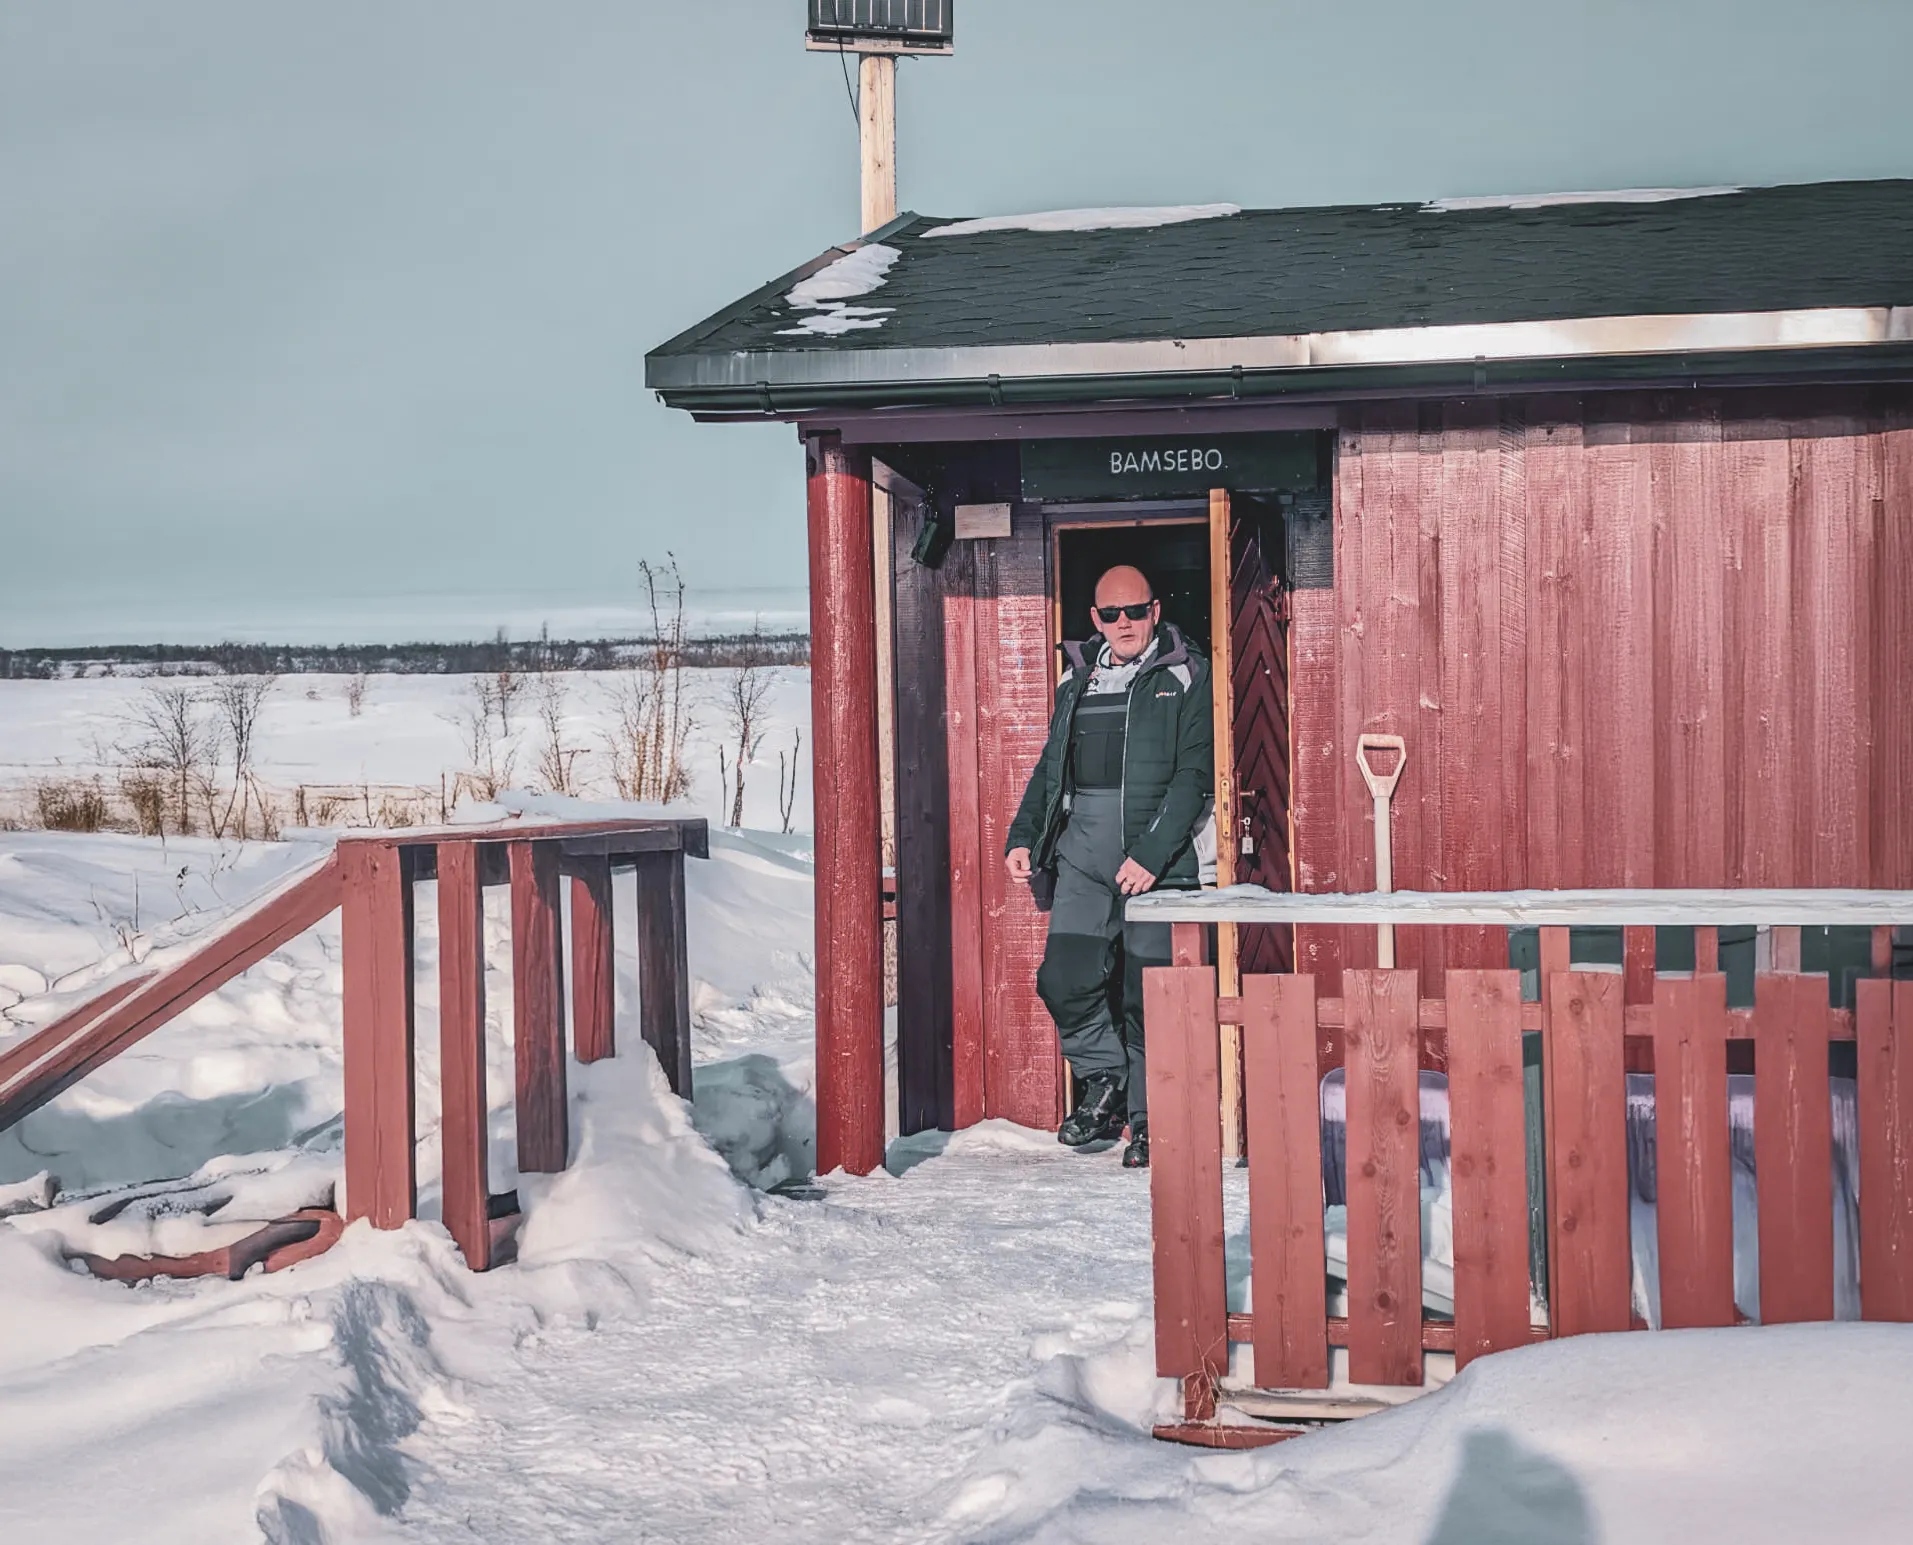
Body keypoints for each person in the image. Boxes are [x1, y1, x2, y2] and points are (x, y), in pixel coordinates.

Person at [1004, 564, 1215, 1169]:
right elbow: (1052, 768)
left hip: (1158, 859)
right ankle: (1107, 1080)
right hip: (1083, 856)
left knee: (1148, 998)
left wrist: (1151, 855)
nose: (1125, 624)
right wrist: (1026, 837)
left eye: (1136, 611)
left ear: (1155, 612)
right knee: (1064, 979)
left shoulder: (1186, 672)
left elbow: (1194, 774)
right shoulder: (1078, 678)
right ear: (1095, 619)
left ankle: (1153, 1122)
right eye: (1111, 614)